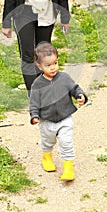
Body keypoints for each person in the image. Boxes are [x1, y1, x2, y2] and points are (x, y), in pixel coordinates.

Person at [29, 42, 88, 181]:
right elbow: (34, 103)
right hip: (46, 120)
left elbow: (75, 89)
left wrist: (81, 96)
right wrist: (34, 116)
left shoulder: (65, 78)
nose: (53, 67)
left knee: (66, 141)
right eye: (48, 65)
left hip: (65, 117)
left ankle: (68, 167)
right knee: (47, 141)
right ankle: (46, 157)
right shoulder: (37, 85)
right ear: (39, 66)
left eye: (55, 63)